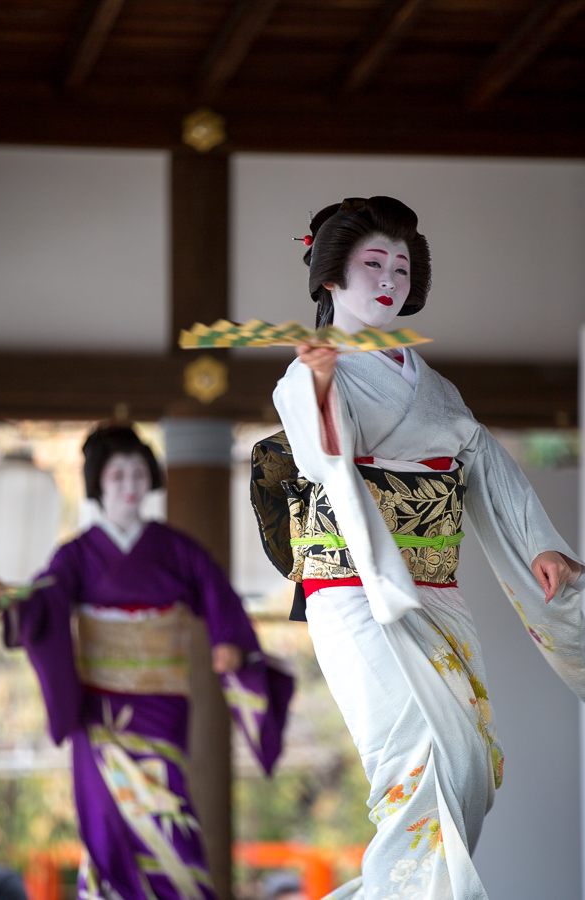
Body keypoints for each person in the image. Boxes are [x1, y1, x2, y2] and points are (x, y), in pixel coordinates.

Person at [251, 196, 585, 900]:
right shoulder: (307, 371)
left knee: (467, 763)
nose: (388, 279)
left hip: (435, 589)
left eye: (400, 266)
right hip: (356, 589)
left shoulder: (430, 382)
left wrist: (540, 549)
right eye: (372, 262)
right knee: (413, 756)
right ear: (330, 276)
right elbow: (323, 459)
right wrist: (317, 383)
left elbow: (484, 464)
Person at [0, 425, 293, 900]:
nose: (129, 486)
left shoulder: (176, 549)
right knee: (106, 816)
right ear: (97, 485)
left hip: (161, 704)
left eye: (136, 474)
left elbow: (217, 593)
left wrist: (229, 640)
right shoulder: (77, 554)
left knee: (170, 809)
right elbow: (42, 601)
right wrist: (10, 600)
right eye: (116, 476)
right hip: (98, 708)